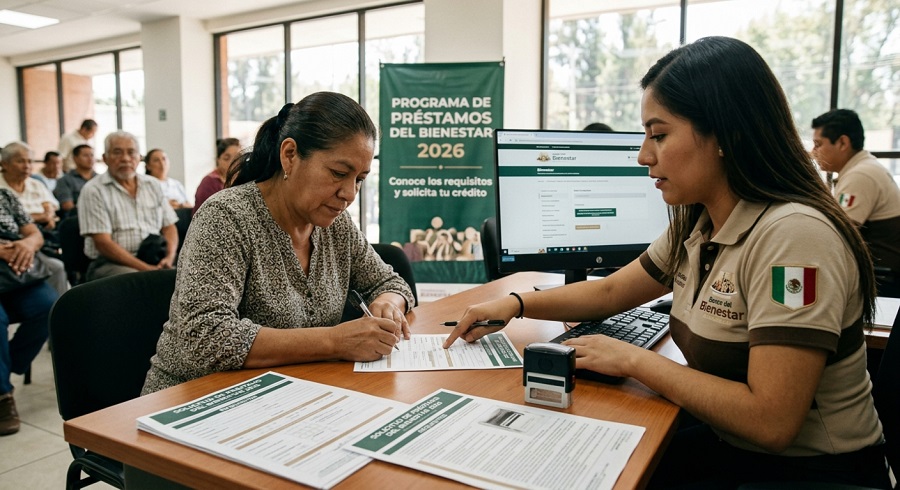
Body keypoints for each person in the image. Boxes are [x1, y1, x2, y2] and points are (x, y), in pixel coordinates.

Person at [444, 37, 890, 489]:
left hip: (811, 474)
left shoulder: (795, 237)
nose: (643, 155)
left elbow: (771, 422)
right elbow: (612, 291)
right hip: (734, 449)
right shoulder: (699, 224)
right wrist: (516, 303)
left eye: (659, 134)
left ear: (725, 134)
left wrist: (634, 361)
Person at [141, 92, 414, 394]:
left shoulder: (336, 226)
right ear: (290, 155)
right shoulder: (227, 217)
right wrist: (335, 341)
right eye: (339, 173)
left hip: (285, 396)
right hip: (193, 401)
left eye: (360, 179)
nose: (349, 193)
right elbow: (208, 337)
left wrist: (388, 303)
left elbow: (389, 281)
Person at [812, 109, 900, 287]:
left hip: (882, 280)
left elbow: (838, 233)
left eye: (818, 144)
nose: (813, 152)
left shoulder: (860, 175)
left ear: (843, 143)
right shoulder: (864, 166)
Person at [78, 131, 178, 281]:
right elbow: (103, 243)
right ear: (105, 158)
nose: (125, 159)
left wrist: (169, 258)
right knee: (144, 284)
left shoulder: (152, 185)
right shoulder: (94, 190)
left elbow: (169, 227)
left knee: (190, 281)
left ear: (139, 158)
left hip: (154, 256)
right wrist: (147, 270)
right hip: (111, 264)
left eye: (131, 152)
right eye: (117, 153)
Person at [0, 189, 58, 436]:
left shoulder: (5, 196)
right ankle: (3, 395)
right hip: (8, 263)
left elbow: (34, 232)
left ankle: (5, 367)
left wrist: (27, 244)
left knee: (50, 307)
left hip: (12, 274)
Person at [0, 142, 60, 234]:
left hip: (45, 231)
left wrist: (49, 216)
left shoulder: (36, 184)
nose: (27, 166)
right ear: (4, 164)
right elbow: (8, 220)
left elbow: (49, 207)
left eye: (30, 161)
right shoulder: (2, 188)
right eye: (20, 161)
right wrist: (39, 217)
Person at [193, 137, 240, 215]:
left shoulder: (244, 179)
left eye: (237, 158)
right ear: (218, 160)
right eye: (226, 158)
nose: (233, 162)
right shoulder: (209, 183)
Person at [54, 144, 97, 217]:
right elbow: (67, 206)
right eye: (85, 156)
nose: (90, 159)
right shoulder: (65, 180)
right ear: (75, 159)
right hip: (77, 218)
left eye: (92, 155)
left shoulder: (100, 179)